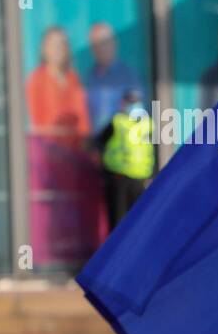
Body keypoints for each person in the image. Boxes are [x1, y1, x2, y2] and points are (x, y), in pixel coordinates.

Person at [25, 25, 106, 266]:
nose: (58, 49)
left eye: (62, 44)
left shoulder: (73, 79)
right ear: (44, 49)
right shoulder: (37, 80)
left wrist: (86, 147)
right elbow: (43, 122)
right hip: (51, 160)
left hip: (77, 158)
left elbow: (82, 120)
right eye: (53, 44)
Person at [92, 88, 154, 230]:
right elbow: (98, 143)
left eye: (135, 101)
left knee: (138, 221)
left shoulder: (148, 125)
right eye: (130, 101)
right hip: (119, 178)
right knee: (118, 221)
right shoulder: (117, 122)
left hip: (140, 179)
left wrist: (151, 176)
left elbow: (152, 151)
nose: (132, 105)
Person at [84, 22, 144, 131]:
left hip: (122, 145)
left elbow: (137, 117)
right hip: (96, 146)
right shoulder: (90, 78)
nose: (101, 48)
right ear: (92, 49)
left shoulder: (128, 76)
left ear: (114, 43)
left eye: (105, 43)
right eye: (96, 44)